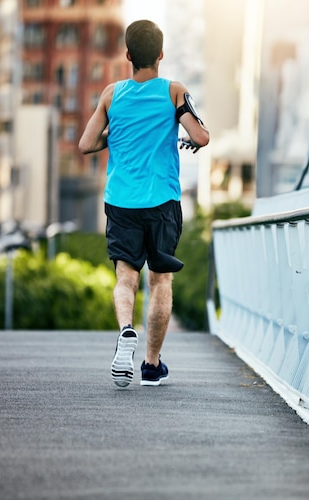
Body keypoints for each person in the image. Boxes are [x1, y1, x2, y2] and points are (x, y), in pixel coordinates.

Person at [78, 19, 209, 388]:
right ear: (161, 55)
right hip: (162, 201)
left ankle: (125, 330)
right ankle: (151, 365)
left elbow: (87, 144)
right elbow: (200, 135)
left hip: (121, 200)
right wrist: (190, 134)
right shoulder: (173, 92)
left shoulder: (110, 94)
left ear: (128, 55)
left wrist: (114, 134)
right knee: (161, 279)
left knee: (125, 276)